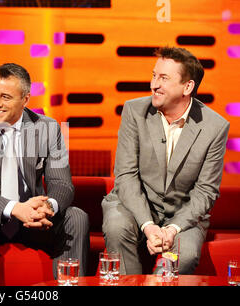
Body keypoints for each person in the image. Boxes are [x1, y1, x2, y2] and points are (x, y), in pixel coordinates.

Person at [0, 63, 90, 286]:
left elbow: (62, 184)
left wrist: (47, 207)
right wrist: (15, 209)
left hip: (32, 218)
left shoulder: (49, 128)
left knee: (76, 217)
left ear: (25, 99)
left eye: (5, 97)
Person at [101, 46, 230, 275]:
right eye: (153, 76)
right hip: (134, 206)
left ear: (187, 87)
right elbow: (126, 175)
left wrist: (171, 229)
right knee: (116, 226)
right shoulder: (134, 111)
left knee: (184, 256)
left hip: (182, 215)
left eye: (163, 78)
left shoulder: (214, 127)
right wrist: (148, 226)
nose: (153, 85)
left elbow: (206, 191)